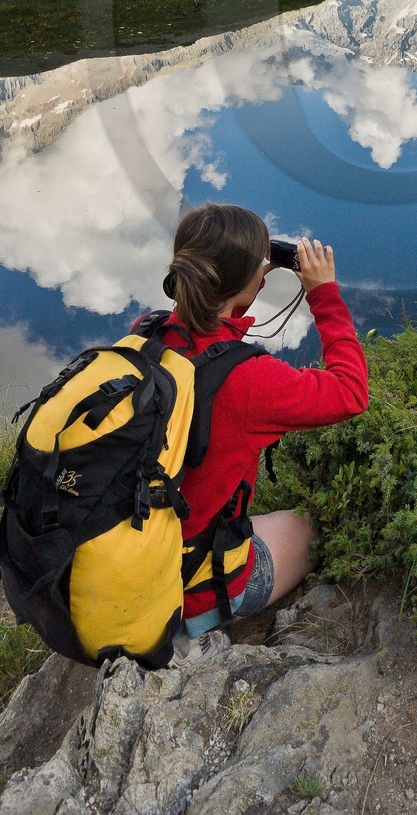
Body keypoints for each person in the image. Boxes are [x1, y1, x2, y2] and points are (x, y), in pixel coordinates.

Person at [144, 202, 369, 661]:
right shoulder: (249, 381)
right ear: (250, 283)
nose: (266, 272)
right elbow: (351, 391)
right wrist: (323, 293)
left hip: (137, 554)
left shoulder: (147, 335)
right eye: (260, 266)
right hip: (192, 591)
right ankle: (201, 624)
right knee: (310, 526)